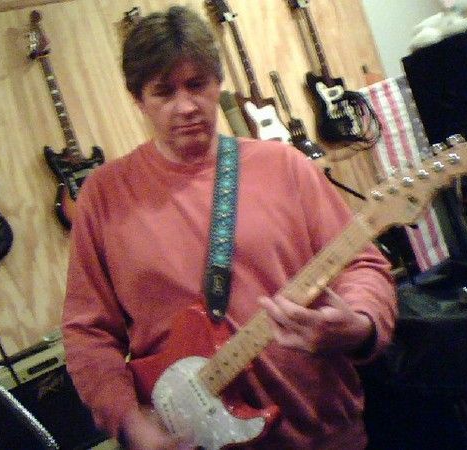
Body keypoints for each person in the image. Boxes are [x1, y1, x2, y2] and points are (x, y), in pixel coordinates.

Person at [62, 5, 397, 450]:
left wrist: (359, 323)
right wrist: (127, 420)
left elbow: (362, 265)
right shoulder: (103, 196)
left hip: (325, 432)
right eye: (164, 92)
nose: (186, 106)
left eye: (197, 84)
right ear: (137, 99)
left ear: (218, 83)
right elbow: (88, 334)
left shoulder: (286, 166)